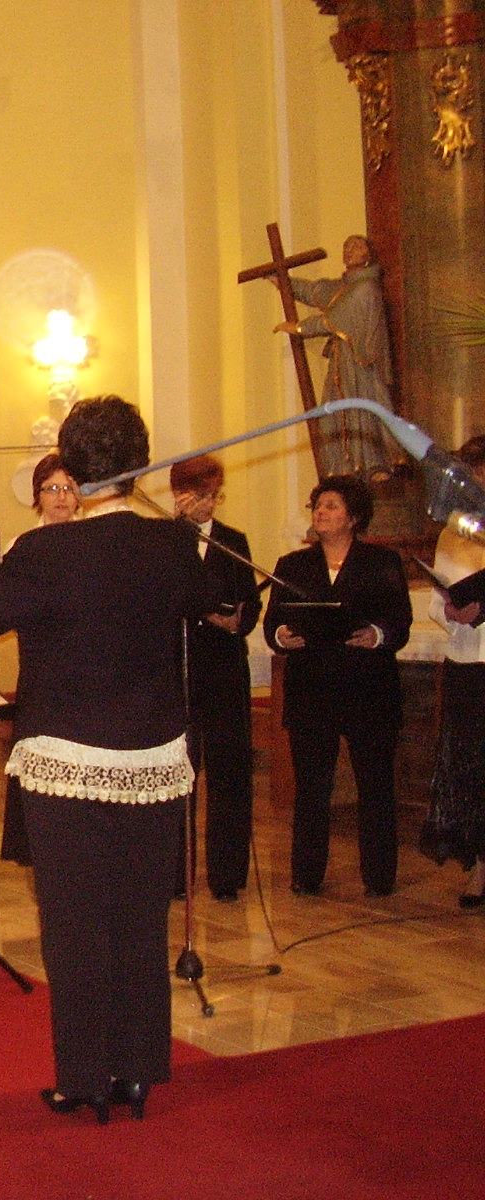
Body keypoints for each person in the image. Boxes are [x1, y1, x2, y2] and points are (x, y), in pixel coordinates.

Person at [0, 395, 206, 1123]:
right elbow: (201, 598)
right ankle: (139, 1070)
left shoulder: (48, 551)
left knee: (77, 923)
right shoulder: (173, 545)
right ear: (138, 463)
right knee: (140, 918)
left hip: (70, 758)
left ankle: (85, 1078)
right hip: (154, 759)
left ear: (75, 469)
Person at [264, 474, 411, 898]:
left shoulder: (382, 562)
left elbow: (399, 622)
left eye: (331, 506)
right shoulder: (293, 565)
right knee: (312, 788)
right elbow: (274, 623)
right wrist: (283, 636)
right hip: (313, 688)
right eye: (318, 505)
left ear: (354, 517)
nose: (321, 512)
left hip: (368, 687)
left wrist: (376, 635)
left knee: (375, 786)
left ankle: (379, 876)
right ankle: (307, 874)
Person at [170, 454, 261, 902]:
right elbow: (160, 598)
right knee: (177, 775)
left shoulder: (233, 541)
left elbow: (251, 600)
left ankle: (226, 876)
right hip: (178, 670)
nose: (207, 504)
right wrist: (205, 612)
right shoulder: (165, 540)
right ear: (179, 495)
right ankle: (174, 875)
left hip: (224, 670)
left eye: (213, 495)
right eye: (199, 495)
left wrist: (239, 620)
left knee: (229, 774)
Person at [0, 453, 81, 867]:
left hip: (84, 676)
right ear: (38, 496)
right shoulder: (22, 546)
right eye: (51, 489)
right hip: (40, 670)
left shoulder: (90, 543)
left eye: (68, 488)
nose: (61, 497)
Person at [420, 436, 485, 907]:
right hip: (466, 661)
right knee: (471, 770)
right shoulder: (453, 533)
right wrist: (450, 610)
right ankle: (479, 866)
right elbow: (436, 598)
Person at [273, 235, 396, 478]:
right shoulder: (345, 286)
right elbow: (316, 292)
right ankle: (342, 470)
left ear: (368, 255)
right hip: (342, 362)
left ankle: (370, 466)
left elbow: (336, 318)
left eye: (356, 246)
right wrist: (281, 281)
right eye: (346, 246)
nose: (349, 250)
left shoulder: (366, 288)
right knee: (333, 414)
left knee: (360, 411)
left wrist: (299, 328)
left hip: (361, 365)